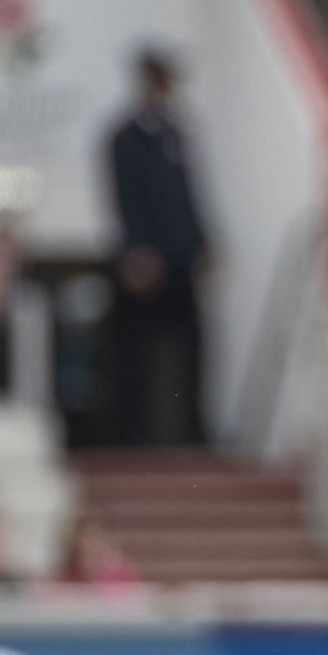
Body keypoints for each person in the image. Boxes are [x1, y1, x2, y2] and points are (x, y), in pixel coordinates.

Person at [107, 46, 211, 446]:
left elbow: (189, 195)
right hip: (148, 259)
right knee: (136, 353)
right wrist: (136, 249)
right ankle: (133, 434)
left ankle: (191, 432)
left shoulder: (176, 133)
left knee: (191, 350)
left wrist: (202, 244)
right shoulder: (125, 136)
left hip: (181, 257)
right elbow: (125, 198)